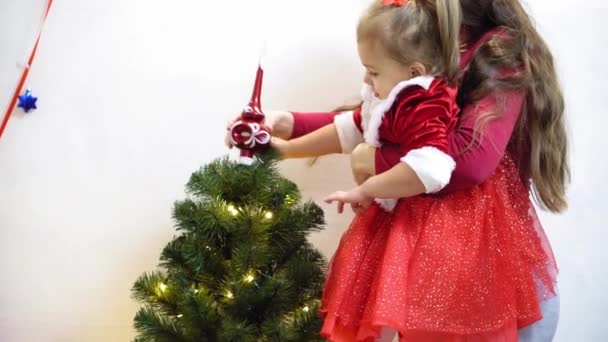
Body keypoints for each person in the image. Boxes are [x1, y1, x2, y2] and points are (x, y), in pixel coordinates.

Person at [225, 0, 567, 340]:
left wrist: (373, 161)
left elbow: (469, 163)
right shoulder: (429, 37)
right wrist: (286, 125)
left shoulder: (497, 51)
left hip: (487, 283)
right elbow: (373, 120)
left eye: (373, 72)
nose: (368, 80)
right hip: (438, 269)